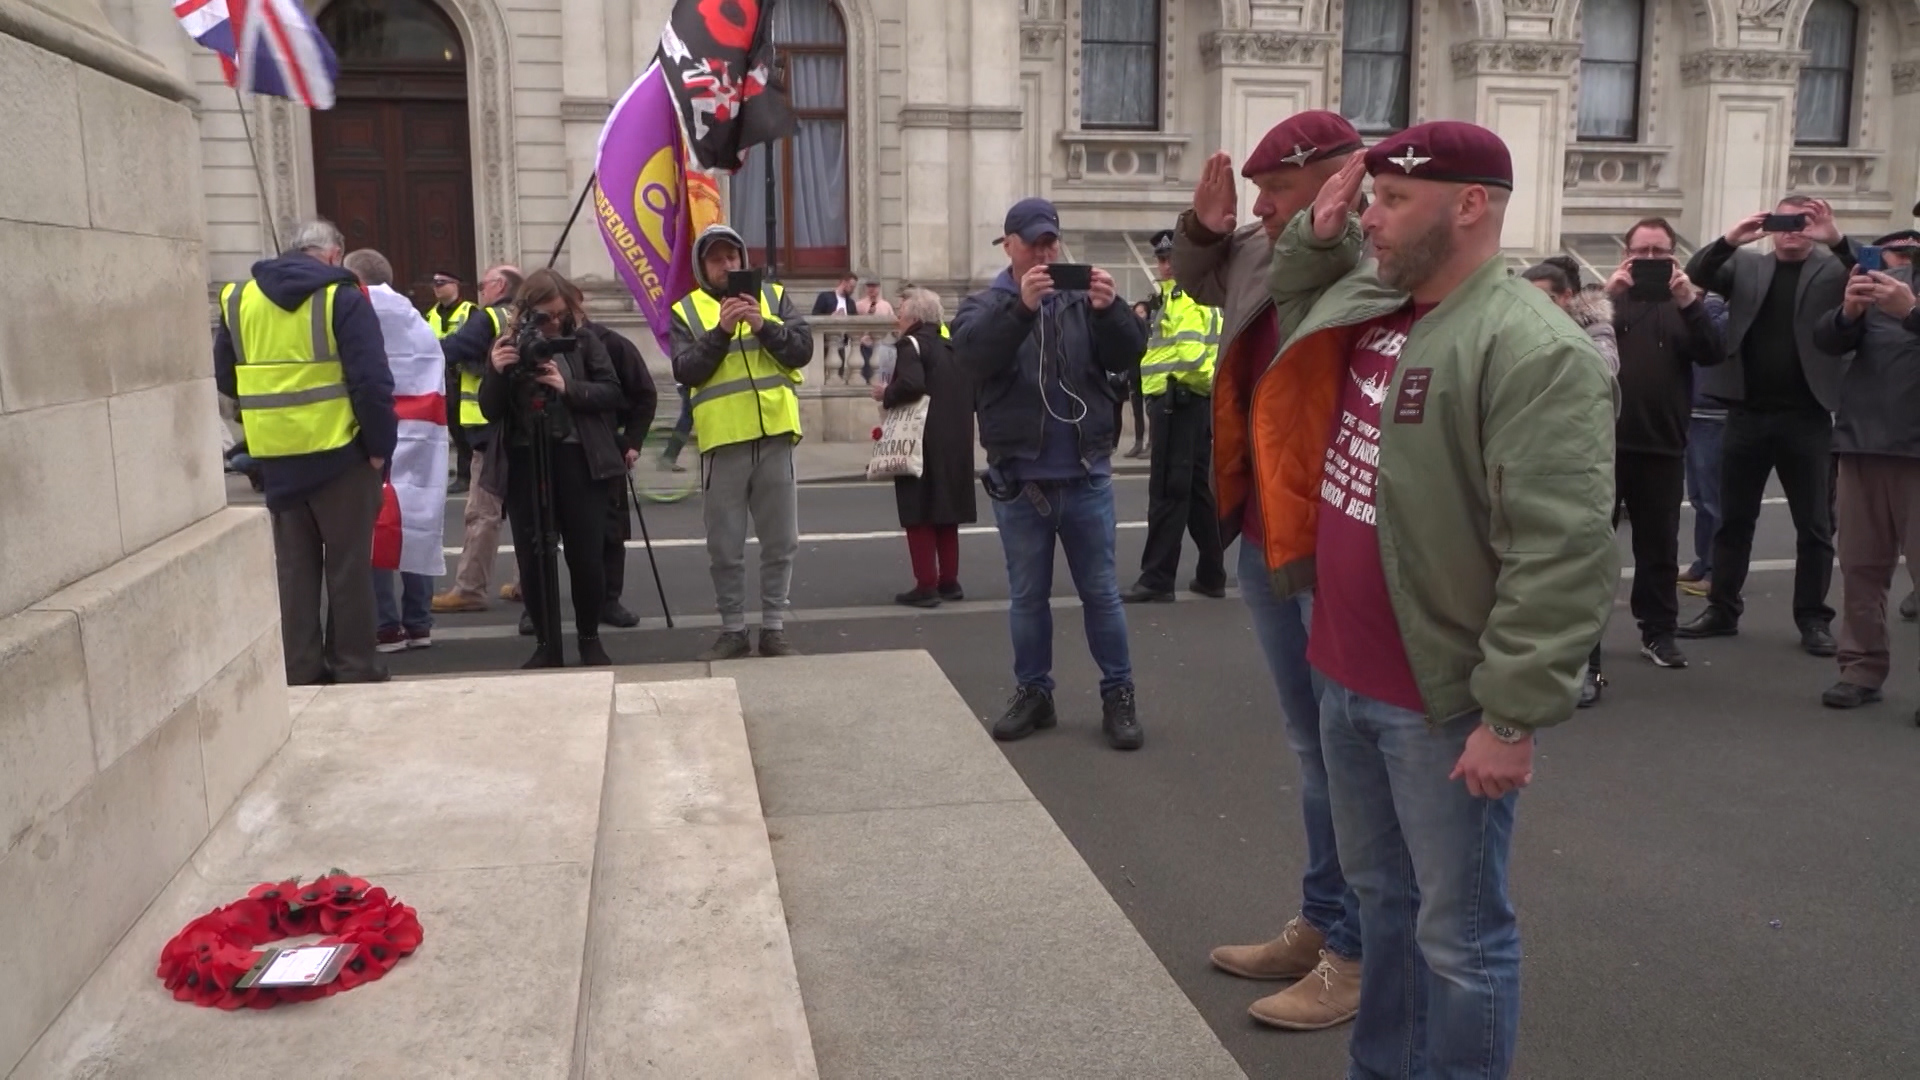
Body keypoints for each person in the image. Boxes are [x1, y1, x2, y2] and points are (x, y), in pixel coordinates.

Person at [1270, 126, 1616, 1076]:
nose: (1369, 218)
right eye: (1371, 199)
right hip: (1342, 671)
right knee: (1385, 910)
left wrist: (1512, 717)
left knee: (1460, 938)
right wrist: (1319, 229)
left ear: (1470, 205)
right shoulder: (1379, 298)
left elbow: (1560, 551)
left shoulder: (1532, 348)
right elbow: (1292, 300)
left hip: (1437, 699)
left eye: (1392, 200)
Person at [1174, 109, 1368, 1030]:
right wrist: (1204, 231)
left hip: (1329, 531)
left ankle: (1359, 951)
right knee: (1311, 746)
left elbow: (1326, 295)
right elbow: (1204, 284)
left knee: (1349, 752)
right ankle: (1324, 920)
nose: (1260, 208)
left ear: (1336, 180)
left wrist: (1321, 233)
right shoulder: (1263, 242)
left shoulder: (1362, 253)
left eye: (1274, 191)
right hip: (1264, 522)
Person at [954, 197, 1147, 751]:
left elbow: (1129, 354)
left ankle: (1119, 694)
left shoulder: (1084, 300)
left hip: (1085, 475)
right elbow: (971, 358)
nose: (1044, 251)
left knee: (1102, 595)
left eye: (1050, 242)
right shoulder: (982, 304)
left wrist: (1111, 311)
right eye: (1033, 242)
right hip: (1022, 483)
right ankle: (1034, 693)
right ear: (1008, 244)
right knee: (1027, 598)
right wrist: (1019, 308)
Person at [214, 219, 399, 686]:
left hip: (276, 455)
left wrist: (267, 420)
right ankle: (354, 666)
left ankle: (298, 669)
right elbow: (372, 382)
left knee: (294, 573)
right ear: (336, 254)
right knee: (349, 567)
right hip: (341, 453)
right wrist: (379, 448)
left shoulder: (239, 299)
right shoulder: (343, 297)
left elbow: (225, 375)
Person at [1680, 196, 1855, 655]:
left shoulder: (1832, 268)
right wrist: (1731, 238)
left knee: (1814, 526)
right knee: (1733, 520)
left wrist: (1834, 238)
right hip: (1747, 412)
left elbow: (1870, 273)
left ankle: (1813, 619)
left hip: (1808, 414)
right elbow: (1696, 274)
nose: (1793, 229)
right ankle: (1722, 608)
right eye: (1784, 220)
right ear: (1770, 225)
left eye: (1804, 221)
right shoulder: (1748, 266)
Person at [1587, 219, 1725, 683]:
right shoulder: (1604, 301)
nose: (1649, 261)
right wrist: (1607, 293)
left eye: (1659, 253)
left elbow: (1712, 353)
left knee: (1660, 548)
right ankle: (1584, 641)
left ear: (1673, 257)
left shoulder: (1684, 306)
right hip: (1603, 445)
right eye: (1640, 252)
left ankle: (1658, 632)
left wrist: (1688, 301)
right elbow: (1570, 342)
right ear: (1625, 253)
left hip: (1662, 444)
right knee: (1589, 548)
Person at [669, 224, 814, 660]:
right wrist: (720, 332)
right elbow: (686, 370)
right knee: (725, 546)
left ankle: (773, 628)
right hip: (724, 441)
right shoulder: (688, 310)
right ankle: (733, 629)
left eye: (732, 256)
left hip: (774, 435)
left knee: (781, 541)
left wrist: (762, 325)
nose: (727, 265)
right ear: (703, 267)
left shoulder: (772, 298)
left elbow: (802, 349)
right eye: (716, 259)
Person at [478, 268, 628, 668]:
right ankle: (546, 644)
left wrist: (568, 387)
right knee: (533, 556)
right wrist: (496, 370)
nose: (554, 323)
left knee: (586, 555)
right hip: (526, 459)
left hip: (580, 459)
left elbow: (613, 391)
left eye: (560, 313)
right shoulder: (508, 343)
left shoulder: (583, 341)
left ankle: (589, 638)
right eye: (545, 316)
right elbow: (489, 410)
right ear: (526, 312)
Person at [1812, 253, 1920, 717]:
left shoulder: (1904, 295)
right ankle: (1860, 668)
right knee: (1860, 567)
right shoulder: (1890, 277)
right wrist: (1848, 313)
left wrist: (1912, 314)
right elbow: (1826, 341)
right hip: (1863, 441)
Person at [345, 249, 450, 653]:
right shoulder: (413, 317)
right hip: (421, 430)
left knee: (375, 524)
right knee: (417, 519)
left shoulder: (353, 308)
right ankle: (419, 623)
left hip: (374, 428)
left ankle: (386, 625)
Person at [1124, 229, 1226, 603]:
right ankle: (1212, 574)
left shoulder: (1186, 298)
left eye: (1172, 258)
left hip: (1178, 401)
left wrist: (1173, 382)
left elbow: (1195, 356)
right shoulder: (1178, 297)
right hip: (1187, 401)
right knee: (1196, 490)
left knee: (1168, 490)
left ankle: (1157, 578)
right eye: (1162, 259)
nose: (1165, 266)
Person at [557, 281, 659, 630]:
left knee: (610, 531)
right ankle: (537, 605)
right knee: (544, 532)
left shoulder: (612, 344)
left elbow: (644, 395)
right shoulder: (535, 345)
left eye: (563, 311)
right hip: (551, 451)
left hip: (603, 450)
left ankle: (608, 601)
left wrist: (632, 441)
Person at [874, 288, 978, 607]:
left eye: (901, 308)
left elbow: (911, 384)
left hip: (921, 437)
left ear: (915, 317)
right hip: (957, 438)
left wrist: (885, 394)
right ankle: (949, 581)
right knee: (947, 512)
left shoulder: (910, 345)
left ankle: (925, 585)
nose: (897, 313)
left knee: (918, 511)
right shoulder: (954, 346)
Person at [431, 264, 522, 613]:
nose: (480, 290)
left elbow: (451, 349)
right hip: (523, 427)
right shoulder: (525, 316)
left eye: (484, 284)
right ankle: (527, 583)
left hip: (488, 430)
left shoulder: (488, 319)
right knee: (526, 511)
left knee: (482, 513)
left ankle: (470, 588)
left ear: (499, 285)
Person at [1682, 291, 1732, 597]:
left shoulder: (1729, 310)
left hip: (1717, 413)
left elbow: (1713, 333)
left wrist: (1706, 298)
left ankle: (1718, 572)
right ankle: (1703, 562)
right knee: (1700, 498)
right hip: (1695, 412)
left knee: (1716, 500)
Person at [427, 271, 476, 493]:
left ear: (456, 285)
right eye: (435, 283)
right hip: (440, 378)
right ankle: (462, 473)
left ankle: (468, 474)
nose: (436, 287)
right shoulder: (429, 315)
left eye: (442, 283)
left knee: (465, 428)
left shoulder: (471, 311)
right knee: (451, 428)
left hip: (463, 377)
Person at [856, 276, 895, 382]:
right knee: (867, 374)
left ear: (879, 288)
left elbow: (893, 325)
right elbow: (855, 324)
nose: (871, 289)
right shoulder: (859, 305)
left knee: (884, 376)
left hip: (883, 344)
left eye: (874, 286)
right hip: (865, 344)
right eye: (869, 286)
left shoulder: (886, 305)